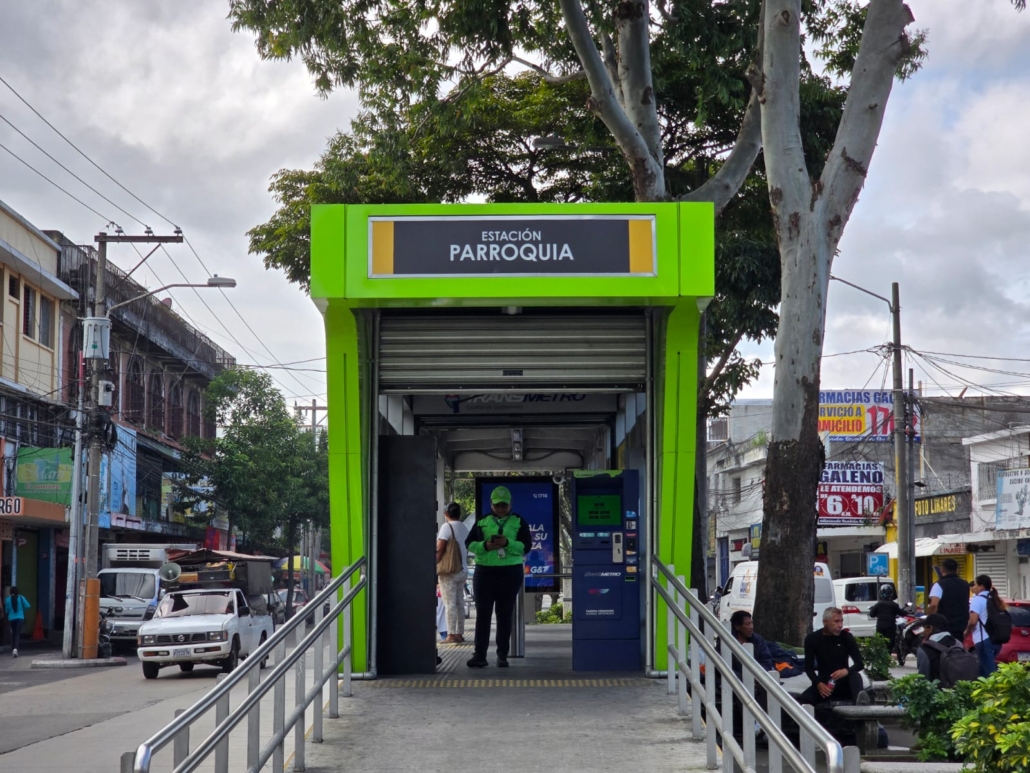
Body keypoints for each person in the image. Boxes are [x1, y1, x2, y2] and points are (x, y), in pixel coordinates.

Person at [465, 485, 532, 668]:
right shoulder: (482, 521)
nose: (501, 508)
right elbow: (469, 543)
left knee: (504, 614)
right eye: (497, 505)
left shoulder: (519, 521)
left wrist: (507, 543)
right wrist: (485, 546)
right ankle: (480, 656)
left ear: (510, 504)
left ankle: (502, 655)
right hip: (484, 573)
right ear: (491, 504)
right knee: (483, 614)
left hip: (510, 572)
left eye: (504, 505)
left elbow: (526, 546)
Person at [799, 607, 865, 705]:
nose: (840, 625)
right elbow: (809, 668)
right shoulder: (812, 639)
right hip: (825, 682)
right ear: (825, 622)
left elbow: (860, 664)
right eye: (836, 621)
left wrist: (846, 671)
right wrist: (818, 684)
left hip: (844, 682)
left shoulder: (846, 637)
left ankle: (861, 702)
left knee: (855, 676)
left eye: (841, 621)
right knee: (805, 698)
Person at [436, 502, 469, 644]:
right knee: (459, 603)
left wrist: (434, 565)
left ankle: (451, 634)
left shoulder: (446, 527)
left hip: (449, 571)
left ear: (446, 513)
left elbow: (439, 549)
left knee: (449, 604)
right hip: (463, 570)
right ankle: (459, 633)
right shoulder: (464, 527)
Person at [965, 574, 1005, 678]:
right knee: (983, 669)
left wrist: (966, 631)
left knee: (988, 672)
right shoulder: (995, 599)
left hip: (983, 639)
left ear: (981, 586)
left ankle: (993, 688)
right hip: (997, 639)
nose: (973, 587)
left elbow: (973, 621)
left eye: (975, 584)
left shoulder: (977, 600)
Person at [926, 558, 970, 641]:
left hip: (944, 626)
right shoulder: (965, 584)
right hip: (961, 625)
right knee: (958, 646)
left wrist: (929, 621)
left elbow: (934, 605)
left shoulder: (939, 584)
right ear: (957, 570)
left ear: (942, 569)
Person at [868, 584, 904, 657]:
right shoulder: (894, 605)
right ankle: (888, 656)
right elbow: (902, 613)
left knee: (880, 642)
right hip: (890, 627)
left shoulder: (878, 604)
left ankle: (881, 657)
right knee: (890, 643)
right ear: (891, 593)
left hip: (880, 626)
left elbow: (871, 614)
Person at [4, 586, 30, 658]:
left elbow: (6, 610)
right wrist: (22, 610)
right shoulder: (21, 597)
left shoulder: (8, 600)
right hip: (20, 618)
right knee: (17, 634)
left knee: (13, 633)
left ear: (10, 592)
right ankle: (15, 649)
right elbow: (28, 606)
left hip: (11, 619)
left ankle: (13, 649)